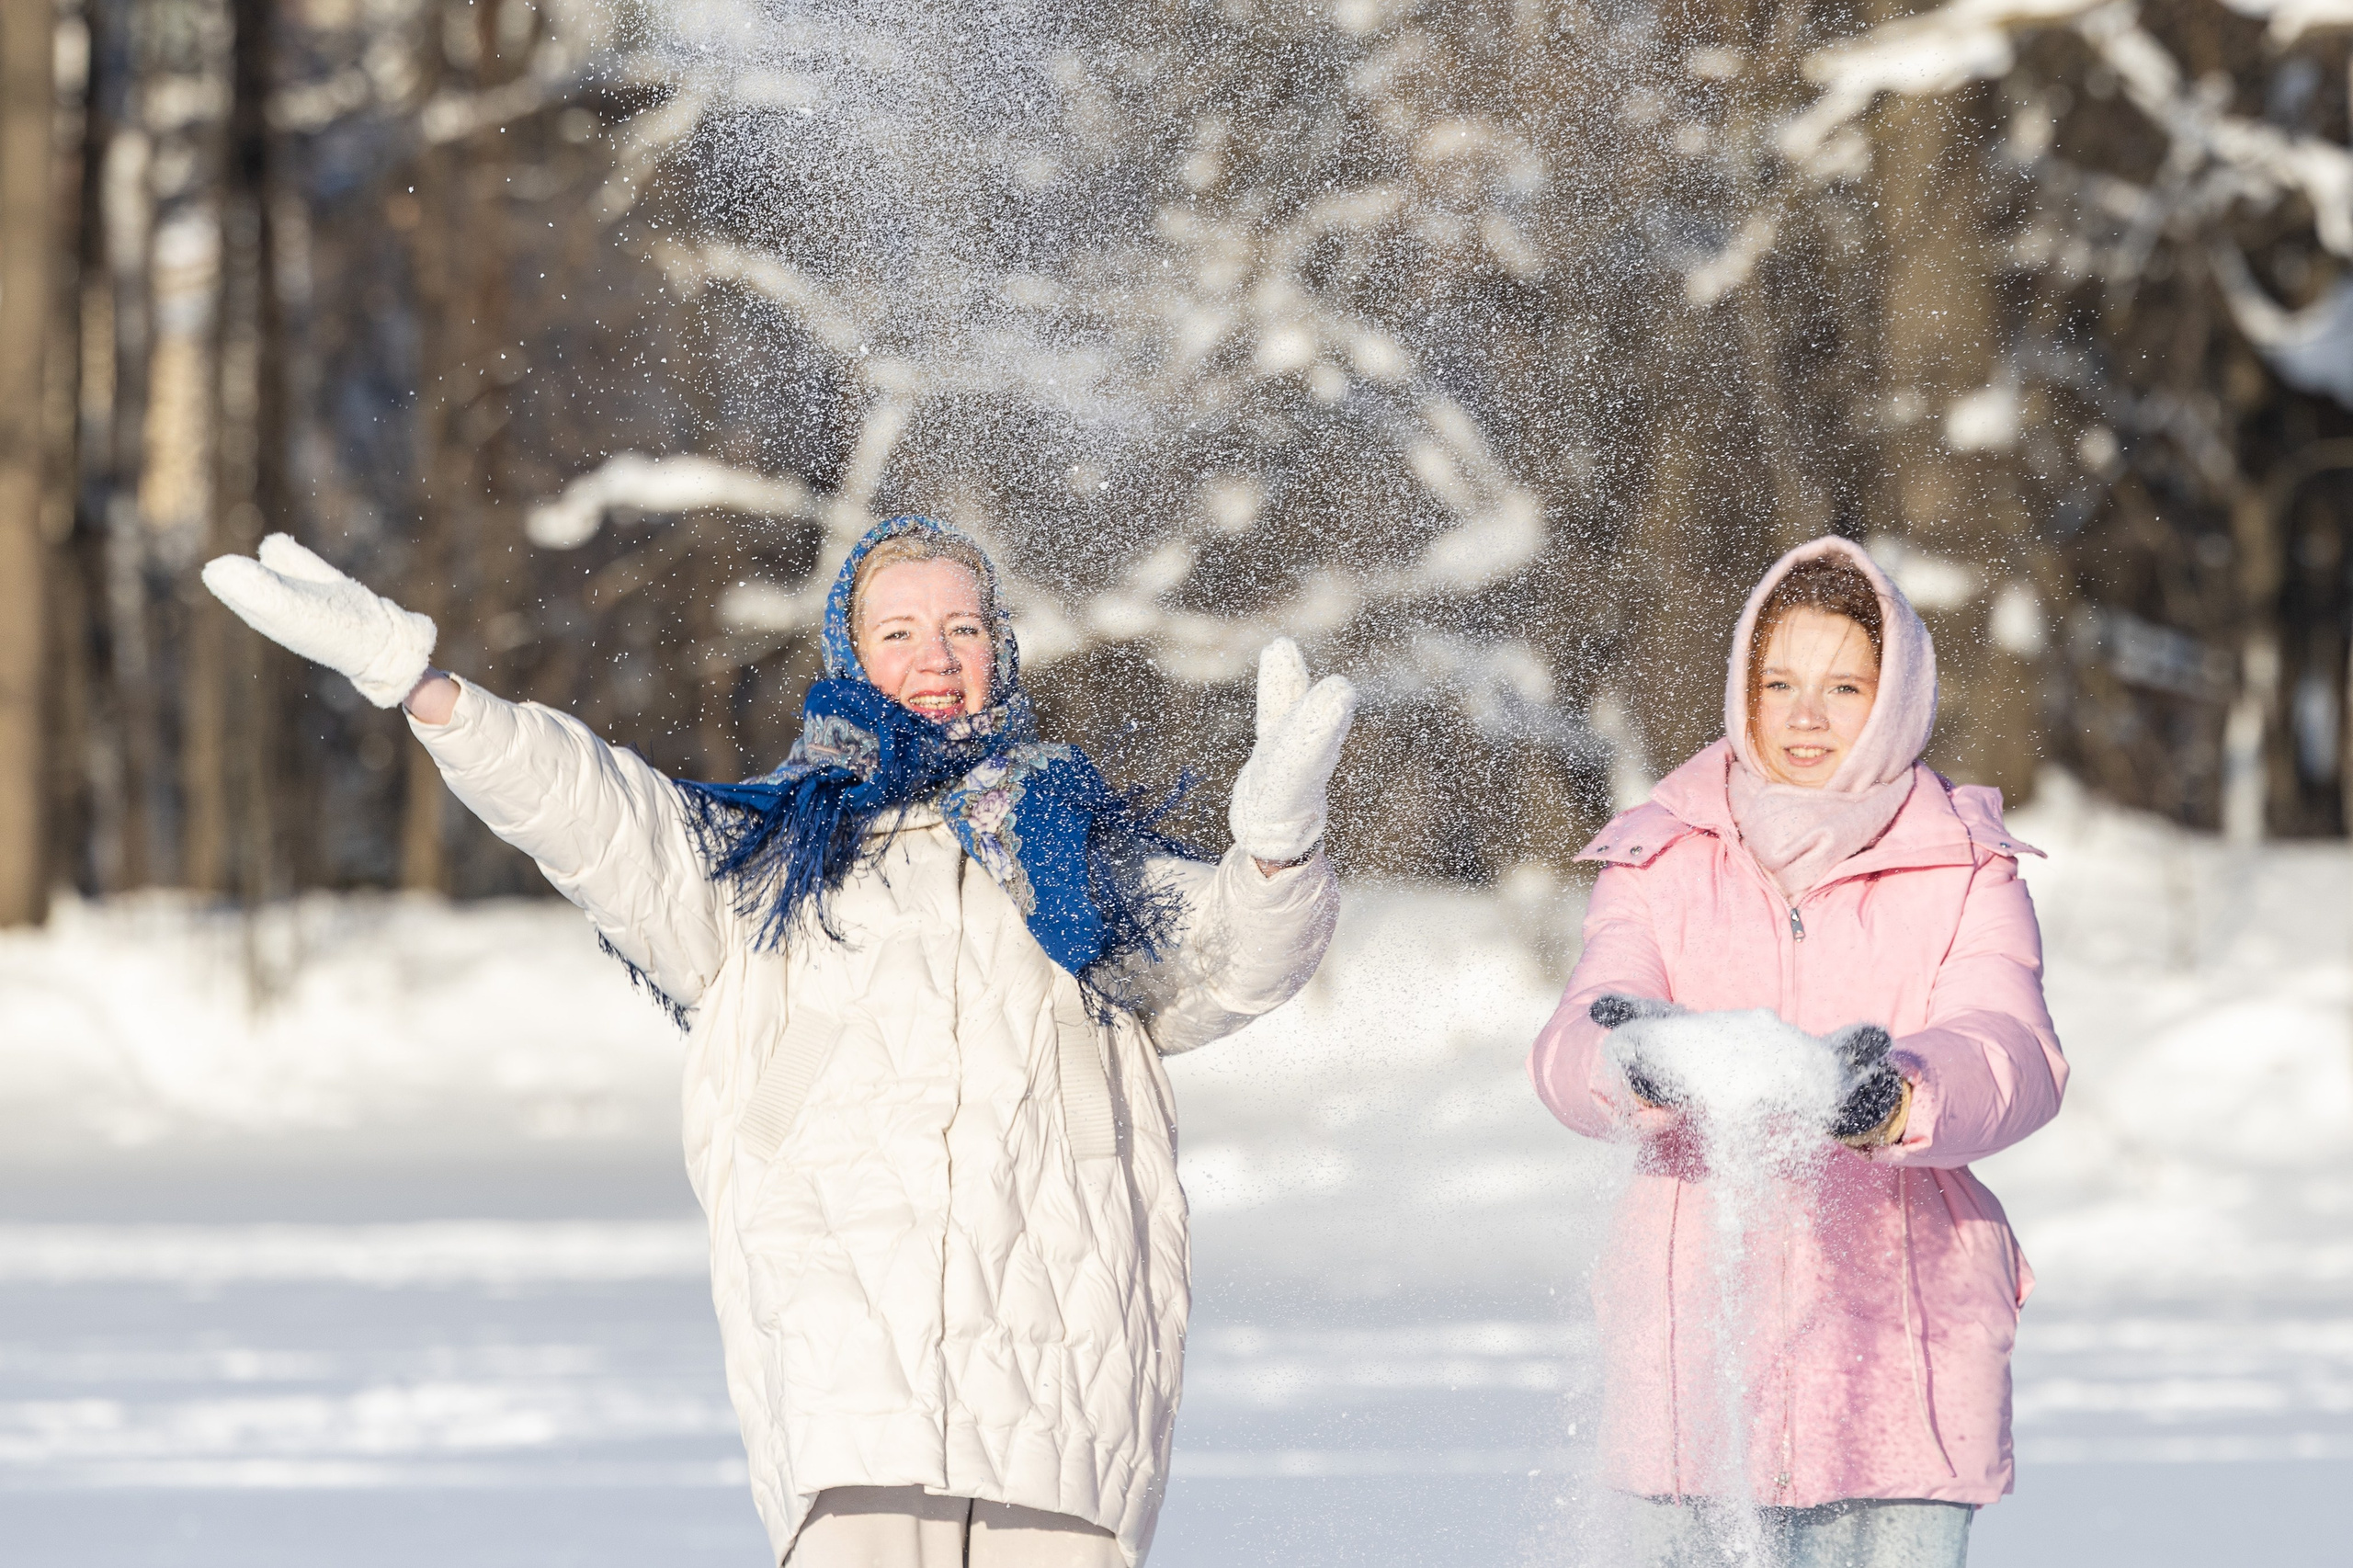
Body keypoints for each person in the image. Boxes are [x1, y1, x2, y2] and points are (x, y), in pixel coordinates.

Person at [202, 516, 1356, 1567]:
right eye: (898, 629)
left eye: (962, 626)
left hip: (1069, 1351)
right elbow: (592, 807)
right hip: (838, 1343)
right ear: (849, 654)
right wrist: (427, 688)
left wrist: (1274, 851)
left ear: (1001, 648)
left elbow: (1235, 959)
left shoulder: (1083, 860)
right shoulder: (760, 860)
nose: (937, 654)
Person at [1528, 537, 2066, 1567]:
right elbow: (1573, 1036)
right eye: (1779, 682)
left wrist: (1896, 1097)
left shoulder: (1964, 863)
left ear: (1896, 696)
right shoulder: (1657, 854)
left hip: (1896, 1366)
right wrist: (1629, 1063)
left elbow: (2012, 1049)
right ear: (1743, 687)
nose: (1805, 714)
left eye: (1842, 686)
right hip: (1695, 1367)